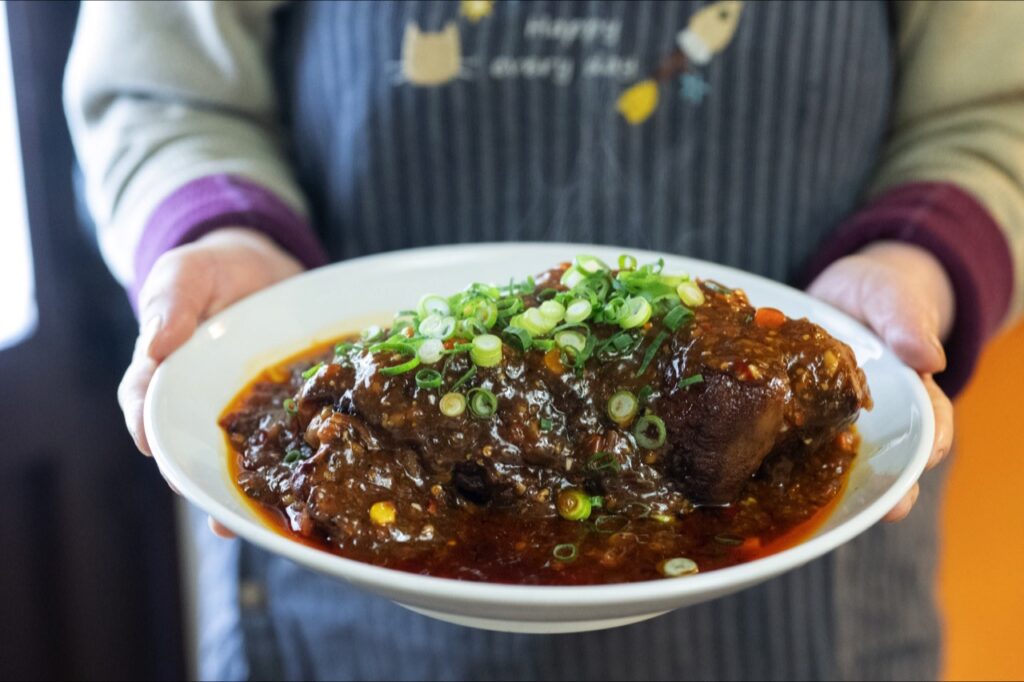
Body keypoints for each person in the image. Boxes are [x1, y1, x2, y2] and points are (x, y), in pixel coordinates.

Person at [65, 1, 1022, 679]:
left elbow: (996, 112)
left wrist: (915, 264)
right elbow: (164, 92)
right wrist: (226, 237)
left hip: (808, 623)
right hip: (331, 620)